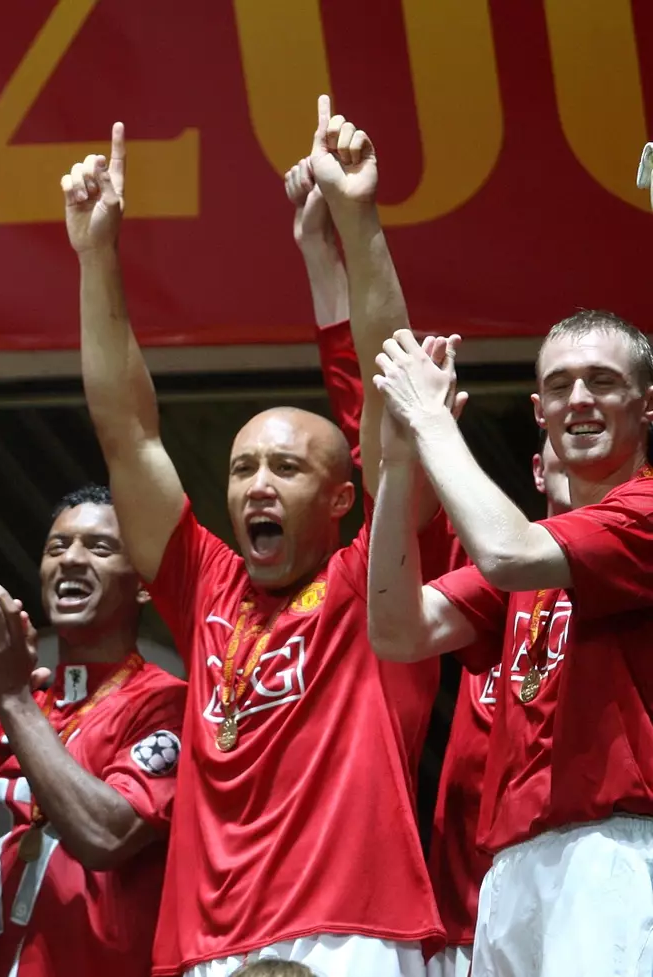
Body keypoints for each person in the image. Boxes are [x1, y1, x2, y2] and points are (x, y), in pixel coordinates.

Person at [67, 99, 446, 976]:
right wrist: (96, 258)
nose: (256, 485)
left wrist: (359, 221)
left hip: (355, 931)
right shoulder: (204, 580)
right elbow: (128, 429)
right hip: (205, 949)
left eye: (286, 467)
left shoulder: (372, 578)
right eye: (242, 469)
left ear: (345, 497)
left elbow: (399, 410)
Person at [367, 310, 653, 976]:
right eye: (559, 385)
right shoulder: (536, 560)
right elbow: (397, 628)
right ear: (539, 410)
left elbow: (504, 549)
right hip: (510, 870)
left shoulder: (641, 511)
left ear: (647, 408)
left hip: (611, 853)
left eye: (601, 380)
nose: (578, 398)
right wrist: (397, 460)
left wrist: (433, 421)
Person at [0, 484, 186, 977]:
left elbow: (105, 836)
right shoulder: (9, 713)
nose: (71, 560)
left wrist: (10, 698)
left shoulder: (167, 703)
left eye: (99, 548)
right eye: (57, 547)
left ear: (142, 583)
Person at [284, 156, 443, 783]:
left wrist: (355, 219)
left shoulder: (432, 534)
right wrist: (321, 249)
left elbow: (381, 390)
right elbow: (367, 402)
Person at [420, 437, 567, 977]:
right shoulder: (494, 571)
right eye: (559, 441)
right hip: (468, 917)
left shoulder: (629, 575)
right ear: (536, 469)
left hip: (577, 884)